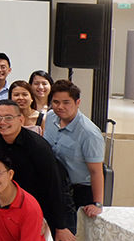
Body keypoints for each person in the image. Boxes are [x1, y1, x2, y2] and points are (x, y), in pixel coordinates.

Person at [0, 100, 79, 241]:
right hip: (14, 197)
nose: (2, 122)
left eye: (8, 117)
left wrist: (59, 226)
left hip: (49, 194)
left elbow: (53, 186)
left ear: (21, 119)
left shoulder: (37, 146)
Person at [44, 80, 105, 218]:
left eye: (66, 102)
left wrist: (98, 204)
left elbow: (96, 172)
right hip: (56, 187)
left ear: (77, 103)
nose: (60, 107)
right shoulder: (50, 117)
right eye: (56, 102)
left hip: (80, 192)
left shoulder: (89, 133)